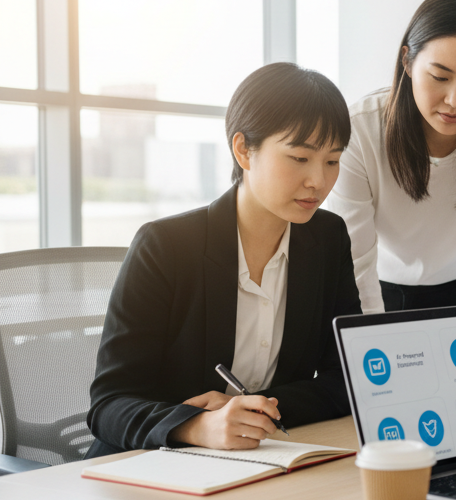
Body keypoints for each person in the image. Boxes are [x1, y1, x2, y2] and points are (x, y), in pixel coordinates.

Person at [86, 63, 361, 455]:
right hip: (147, 466)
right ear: (243, 150)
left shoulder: (327, 238)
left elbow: (346, 379)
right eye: (300, 158)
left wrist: (250, 412)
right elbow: (109, 406)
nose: (318, 180)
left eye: (332, 161)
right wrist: (198, 426)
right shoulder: (164, 246)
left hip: (257, 457)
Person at [326, 0, 456, 313]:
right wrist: (370, 342)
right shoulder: (359, 130)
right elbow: (356, 264)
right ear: (407, 61)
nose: (455, 100)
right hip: (374, 289)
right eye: (439, 76)